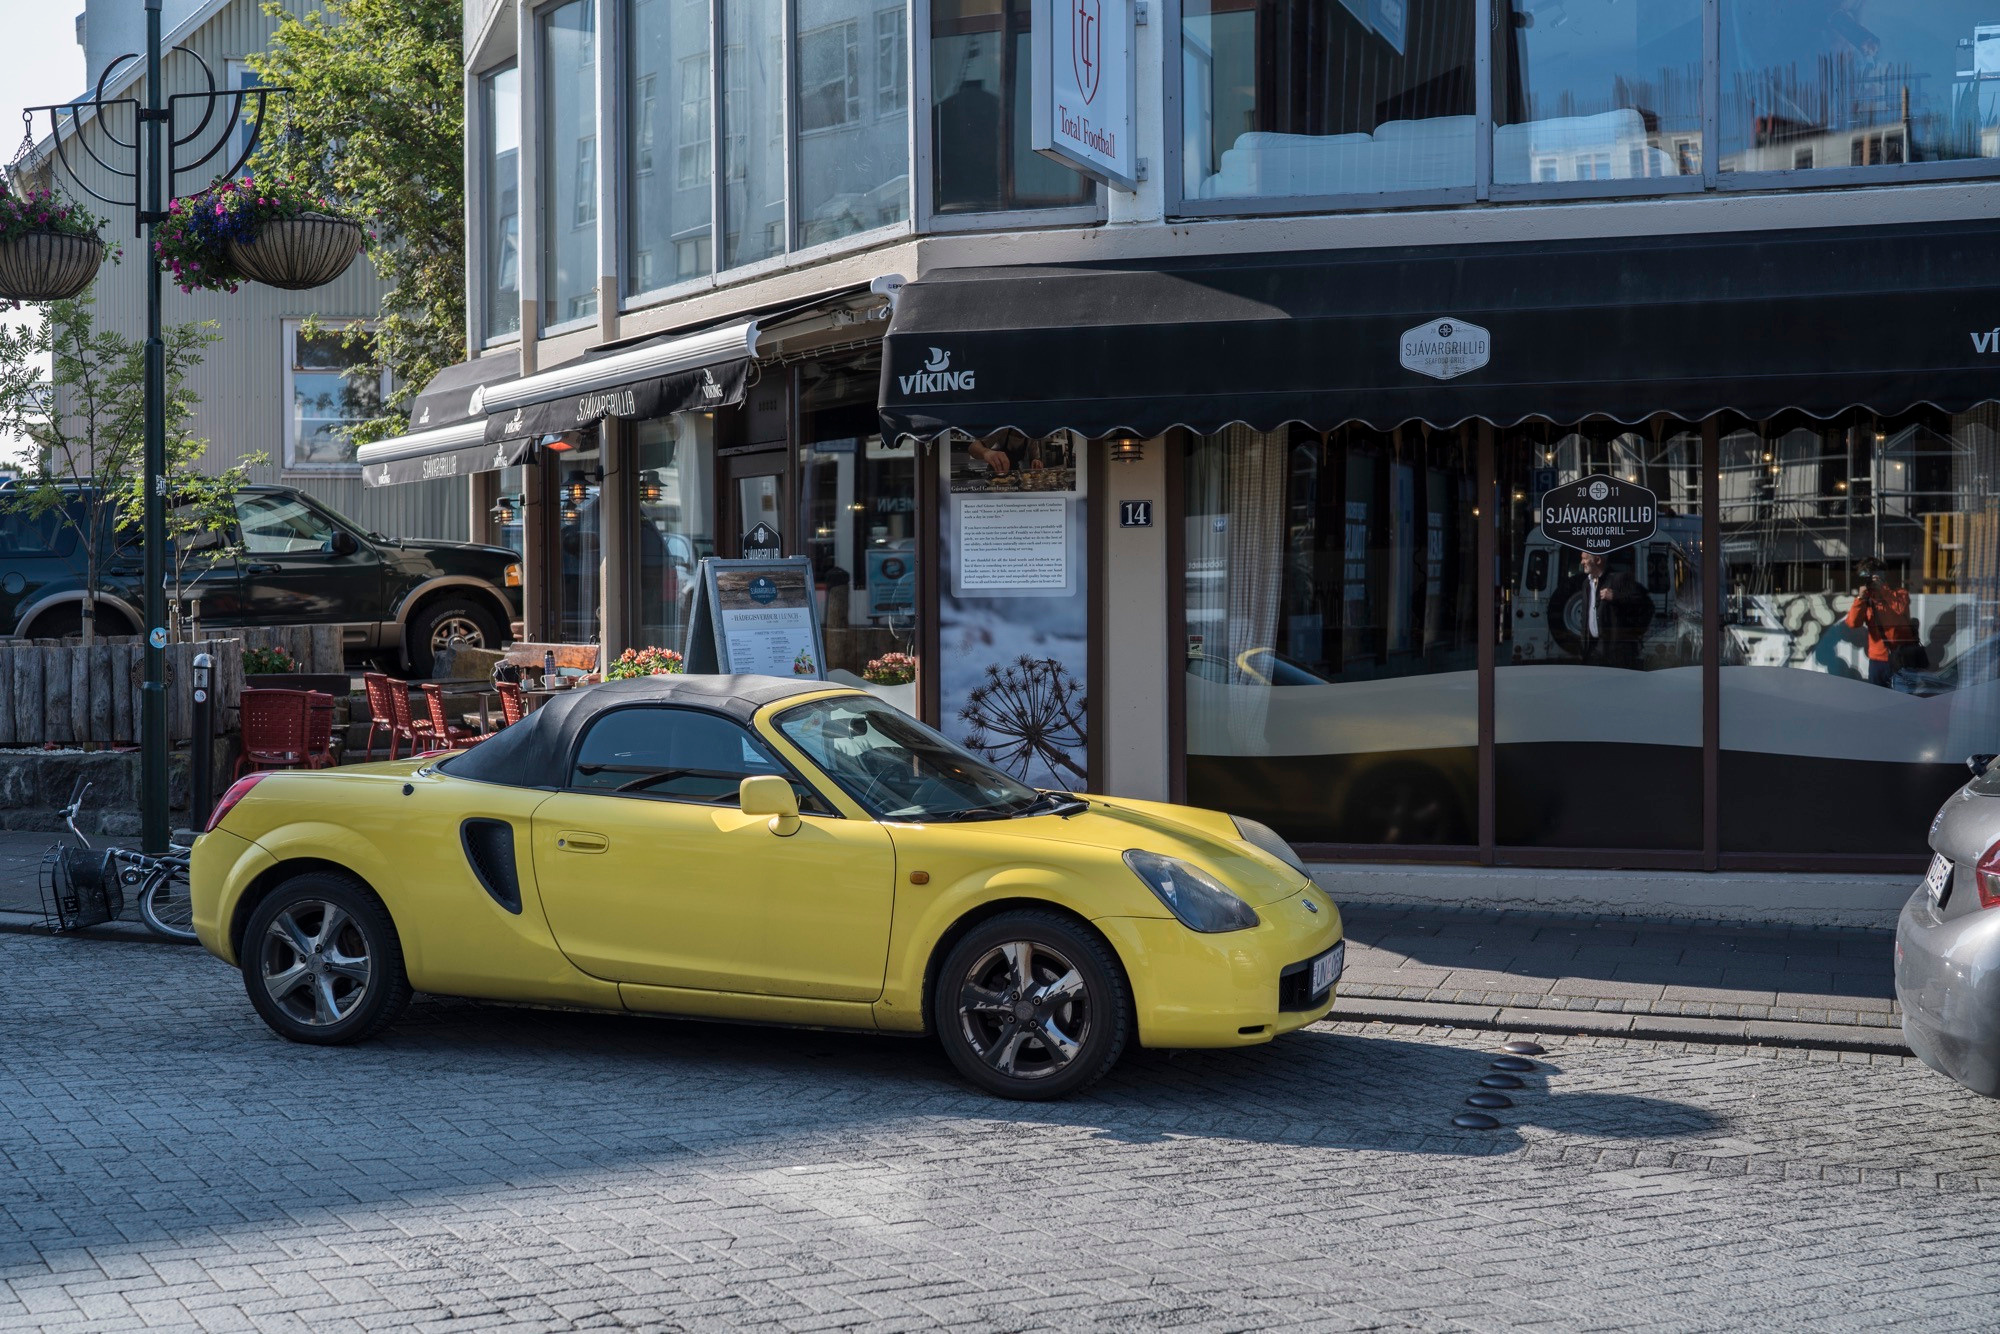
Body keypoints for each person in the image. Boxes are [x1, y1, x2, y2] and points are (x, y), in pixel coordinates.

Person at [1555, 551, 1655, 669]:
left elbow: (1645, 604)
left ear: (1597, 560)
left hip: (1616, 652)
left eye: (1584, 559)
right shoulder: (1586, 583)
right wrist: (1582, 650)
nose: (1581, 562)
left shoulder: (1619, 579)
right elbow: (1585, 619)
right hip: (1592, 650)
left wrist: (1616, 597)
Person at [1846, 558, 1922, 687]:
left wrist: (1883, 590)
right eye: (1867, 578)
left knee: (1903, 700)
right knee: (1877, 701)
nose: (1870, 581)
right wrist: (1860, 598)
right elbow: (1853, 623)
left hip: (1902, 658)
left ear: (1882, 575)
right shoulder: (1868, 598)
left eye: (1873, 577)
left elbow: (1900, 610)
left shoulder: (1900, 594)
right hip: (1877, 661)